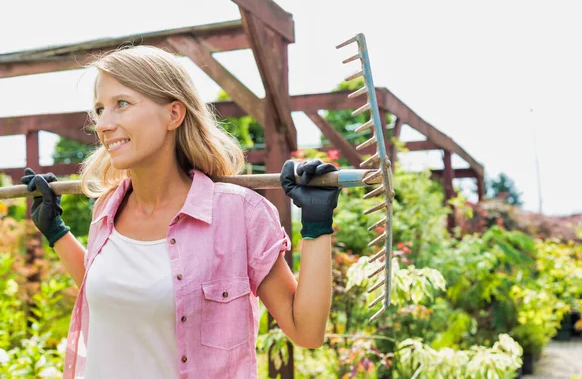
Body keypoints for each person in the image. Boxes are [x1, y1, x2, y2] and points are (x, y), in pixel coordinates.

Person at [20, 46, 341, 379]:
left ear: (174, 114)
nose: (102, 124)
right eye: (100, 109)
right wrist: (56, 232)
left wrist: (317, 227)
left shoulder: (238, 213)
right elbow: (116, 291)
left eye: (122, 104)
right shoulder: (108, 208)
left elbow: (306, 331)